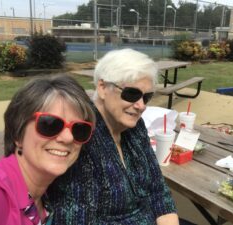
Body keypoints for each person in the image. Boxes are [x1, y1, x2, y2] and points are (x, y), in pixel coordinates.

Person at [49, 49, 194, 225]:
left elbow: (158, 190)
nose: (140, 106)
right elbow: (79, 219)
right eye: (131, 94)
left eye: (146, 97)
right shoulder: (81, 136)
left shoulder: (135, 127)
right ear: (102, 88)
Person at [0, 75, 95, 225]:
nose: (68, 138)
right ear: (18, 133)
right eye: (50, 124)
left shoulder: (48, 196)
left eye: (79, 129)